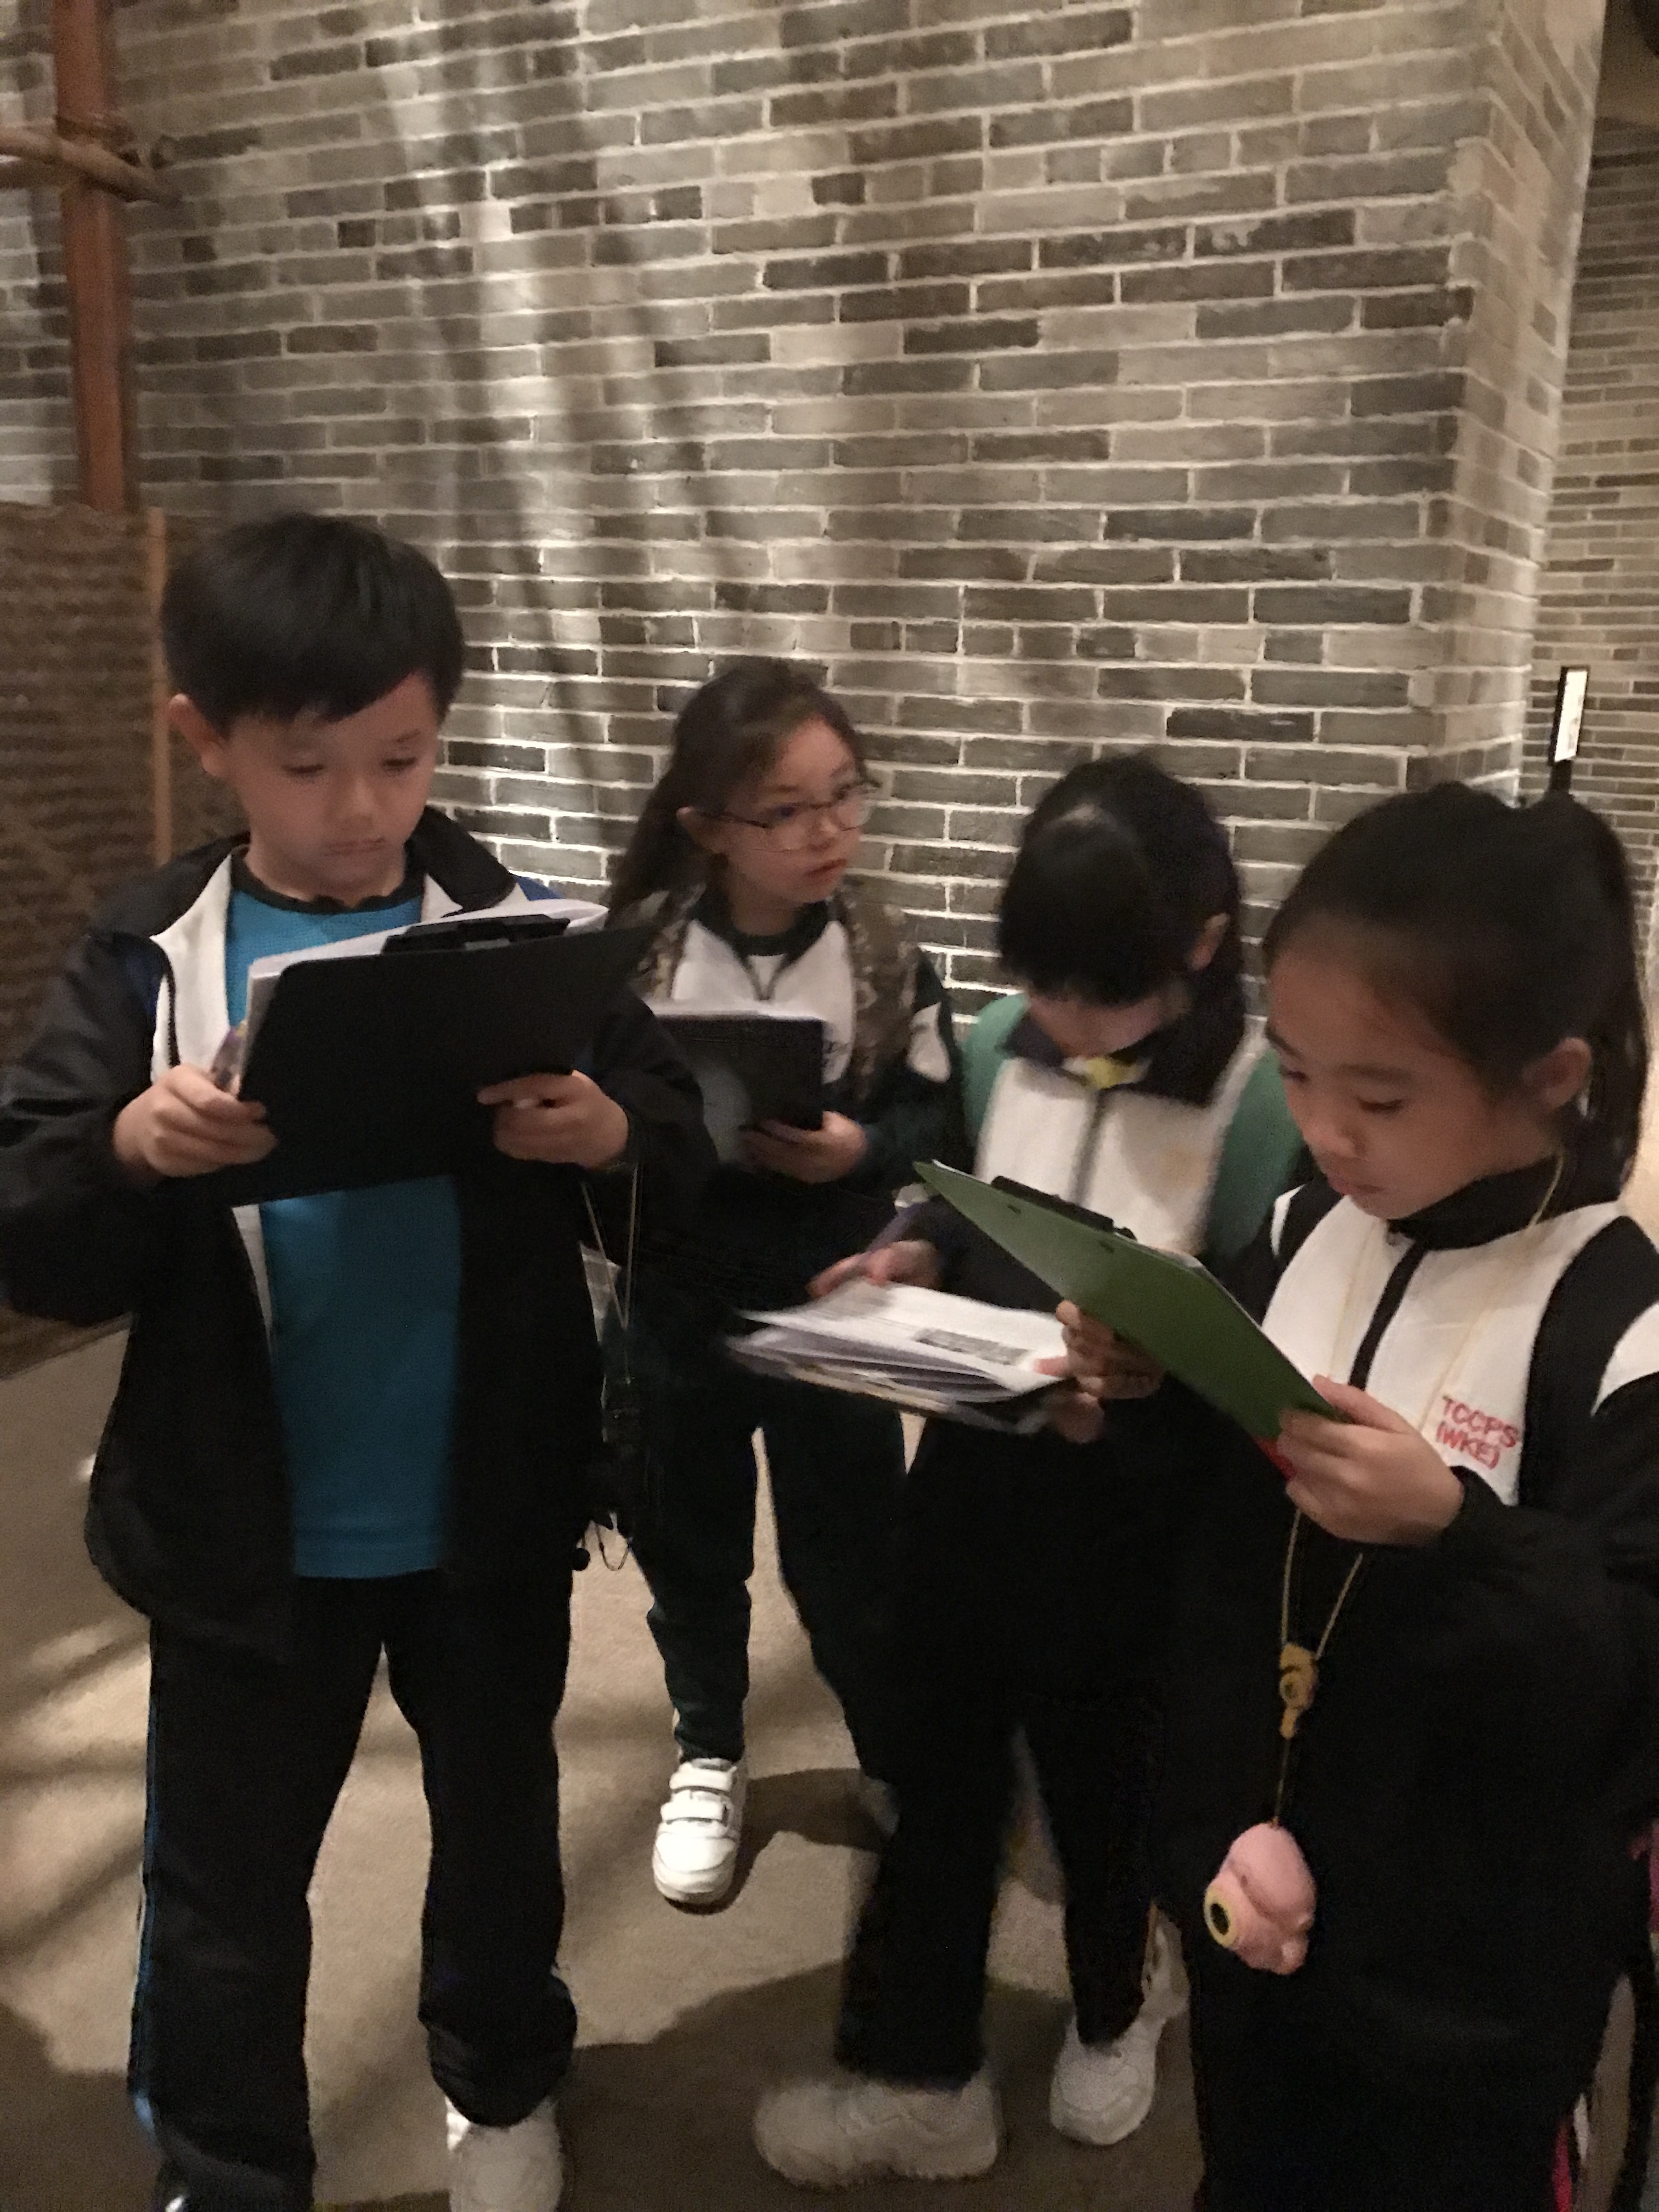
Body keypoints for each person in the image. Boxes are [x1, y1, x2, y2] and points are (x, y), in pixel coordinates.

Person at [0, 514, 712, 2212]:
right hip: (245, 1520)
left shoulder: (516, 928)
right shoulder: (151, 956)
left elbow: (682, 1153)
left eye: (402, 758)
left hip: (488, 1498)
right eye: (307, 766)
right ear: (205, 740)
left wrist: (610, 1132)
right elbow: (28, 1220)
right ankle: (232, 2163)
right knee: (225, 1882)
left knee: (502, 1825)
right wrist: (129, 1147)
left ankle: (502, 2080)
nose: (361, 809)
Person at [1060, 785, 1659, 2212]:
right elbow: (1216, 1544)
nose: (1326, 1131)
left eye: (1380, 1098)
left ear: (1551, 1075)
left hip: (1463, 1968)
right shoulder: (1301, 1232)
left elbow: (1630, 1671)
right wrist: (1148, 1386)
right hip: (1249, 1882)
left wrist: (1457, 1531)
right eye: (1296, 1074)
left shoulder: (1615, 1325)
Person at [753, 758, 1301, 2183]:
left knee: (1107, 1786)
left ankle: (1122, 1998)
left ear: (1201, 943)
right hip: (976, 1475)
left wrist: (1155, 1379)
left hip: (1146, 1525)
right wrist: (908, 1254)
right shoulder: (1002, 1040)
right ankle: (921, 2077)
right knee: (935, 1767)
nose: (1059, 1023)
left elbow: (1274, 1359)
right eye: (1040, 984)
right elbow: (957, 1195)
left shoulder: (1261, 1105)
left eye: (1097, 995)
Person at [608, 657, 964, 1909]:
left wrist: (859, 1147)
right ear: (708, 826)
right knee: (686, 1538)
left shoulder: (884, 952)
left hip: (835, 1291)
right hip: (678, 1289)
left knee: (855, 1547)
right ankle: (709, 1749)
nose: (829, 832)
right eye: (788, 810)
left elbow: (942, 1120)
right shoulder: (636, 956)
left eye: (846, 795)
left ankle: (892, 1746)